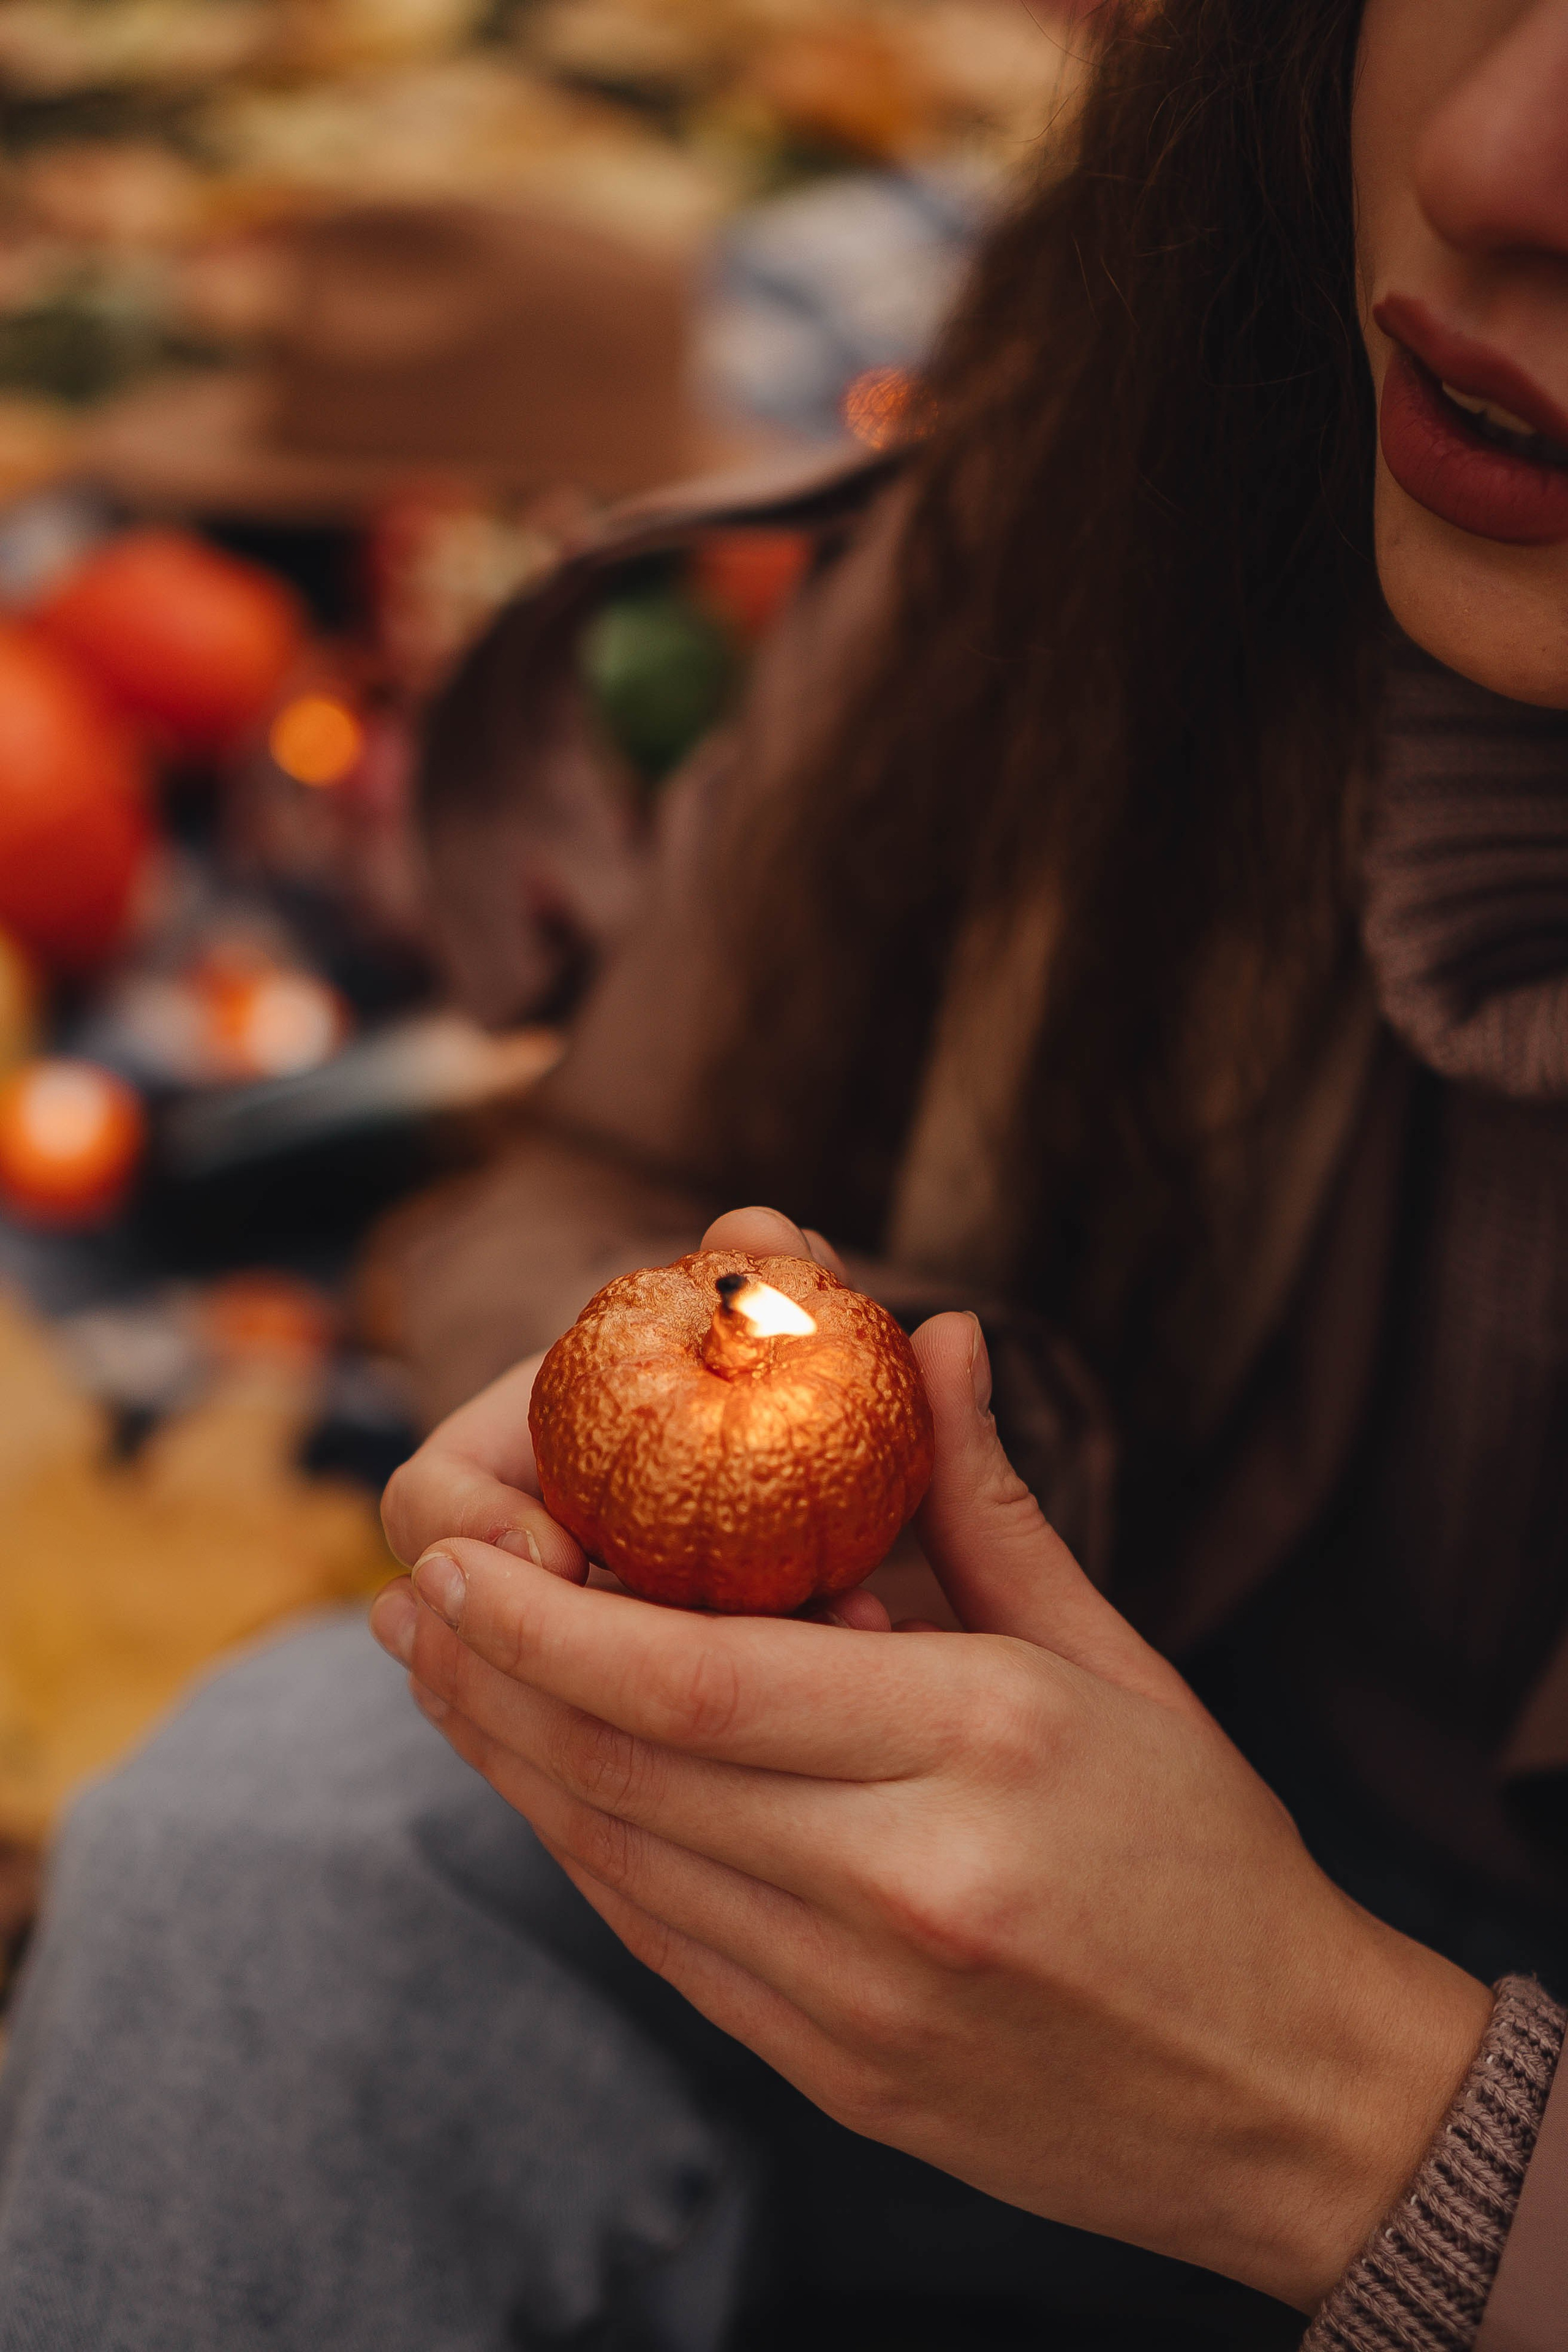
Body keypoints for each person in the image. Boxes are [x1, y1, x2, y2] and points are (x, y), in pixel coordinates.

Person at [2, 2, 1567, 2346]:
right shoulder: (1121, 503)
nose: (1500, 153)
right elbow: (604, 1159)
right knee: (275, 1840)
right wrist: (725, 1455)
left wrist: (1358, 2117)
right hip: (957, 1995)